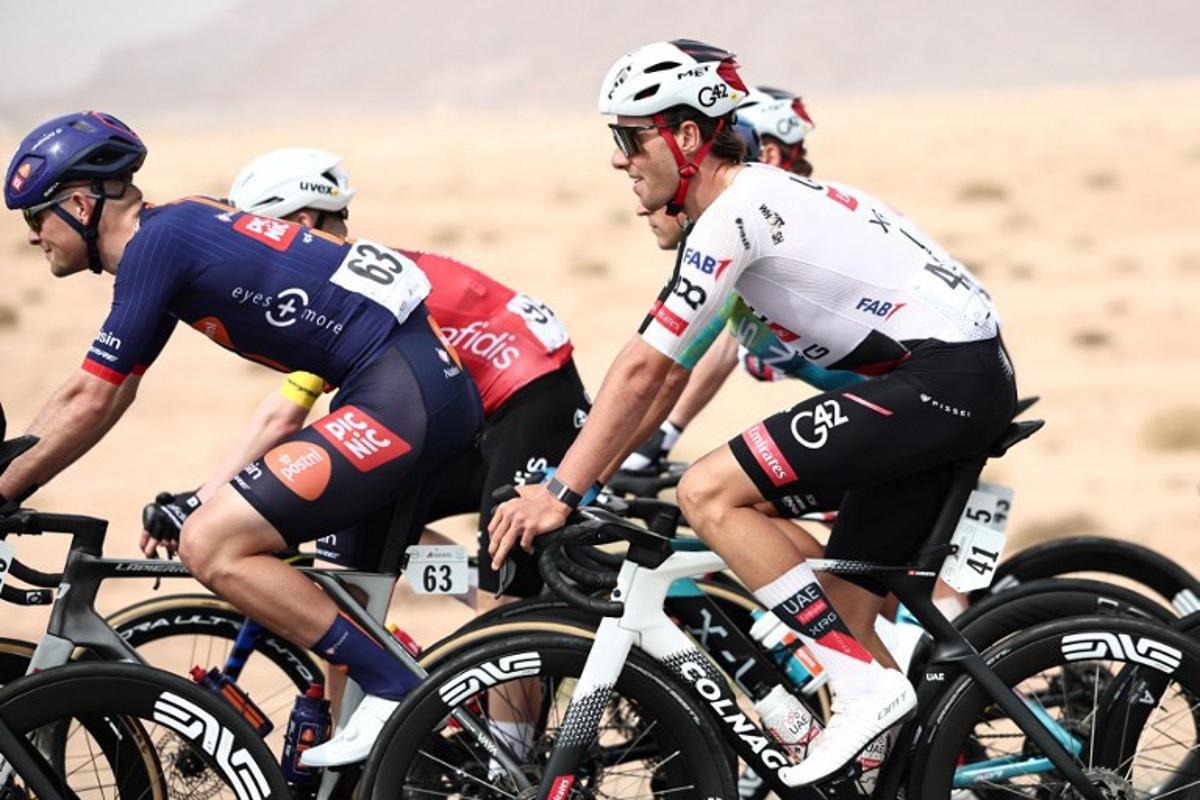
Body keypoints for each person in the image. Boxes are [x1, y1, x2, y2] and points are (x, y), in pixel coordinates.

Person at [488, 40, 1015, 786]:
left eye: (630, 138)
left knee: (708, 492)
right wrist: (593, 479)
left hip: (940, 377)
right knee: (841, 612)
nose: (618, 160)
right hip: (947, 378)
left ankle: (870, 693)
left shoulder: (735, 215)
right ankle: (900, 752)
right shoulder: (752, 203)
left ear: (690, 137)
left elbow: (643, 368)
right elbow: (665, 380)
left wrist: (562, 493)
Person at [0, 112, 482, 765]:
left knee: (213, 542)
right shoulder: (175, 228)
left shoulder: (154, 246)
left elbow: (95, 396)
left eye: (36, 217)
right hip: (407, 385)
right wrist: (14, 465)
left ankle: (398, 687)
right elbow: (97, 388)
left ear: (83, 204)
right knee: (344, 593)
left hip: (401, 395)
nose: (33, 237)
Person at [141, 147, 590, 764]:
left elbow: (283, 415)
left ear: (297, 224)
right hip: (463, 415)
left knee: (506, 594)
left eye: (259, 232)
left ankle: (511, 760)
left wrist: (202, 501)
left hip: (529, 399)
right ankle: (373, 714)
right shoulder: (336, 274)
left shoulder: (337, 281)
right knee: (354, 546)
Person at [623, 84, 862, 475]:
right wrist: (666, 433)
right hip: (892, 401)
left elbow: (670, 370)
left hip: (898, 404)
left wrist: (600, 471)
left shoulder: (752, 232)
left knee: (713, 494)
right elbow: (723, 348)